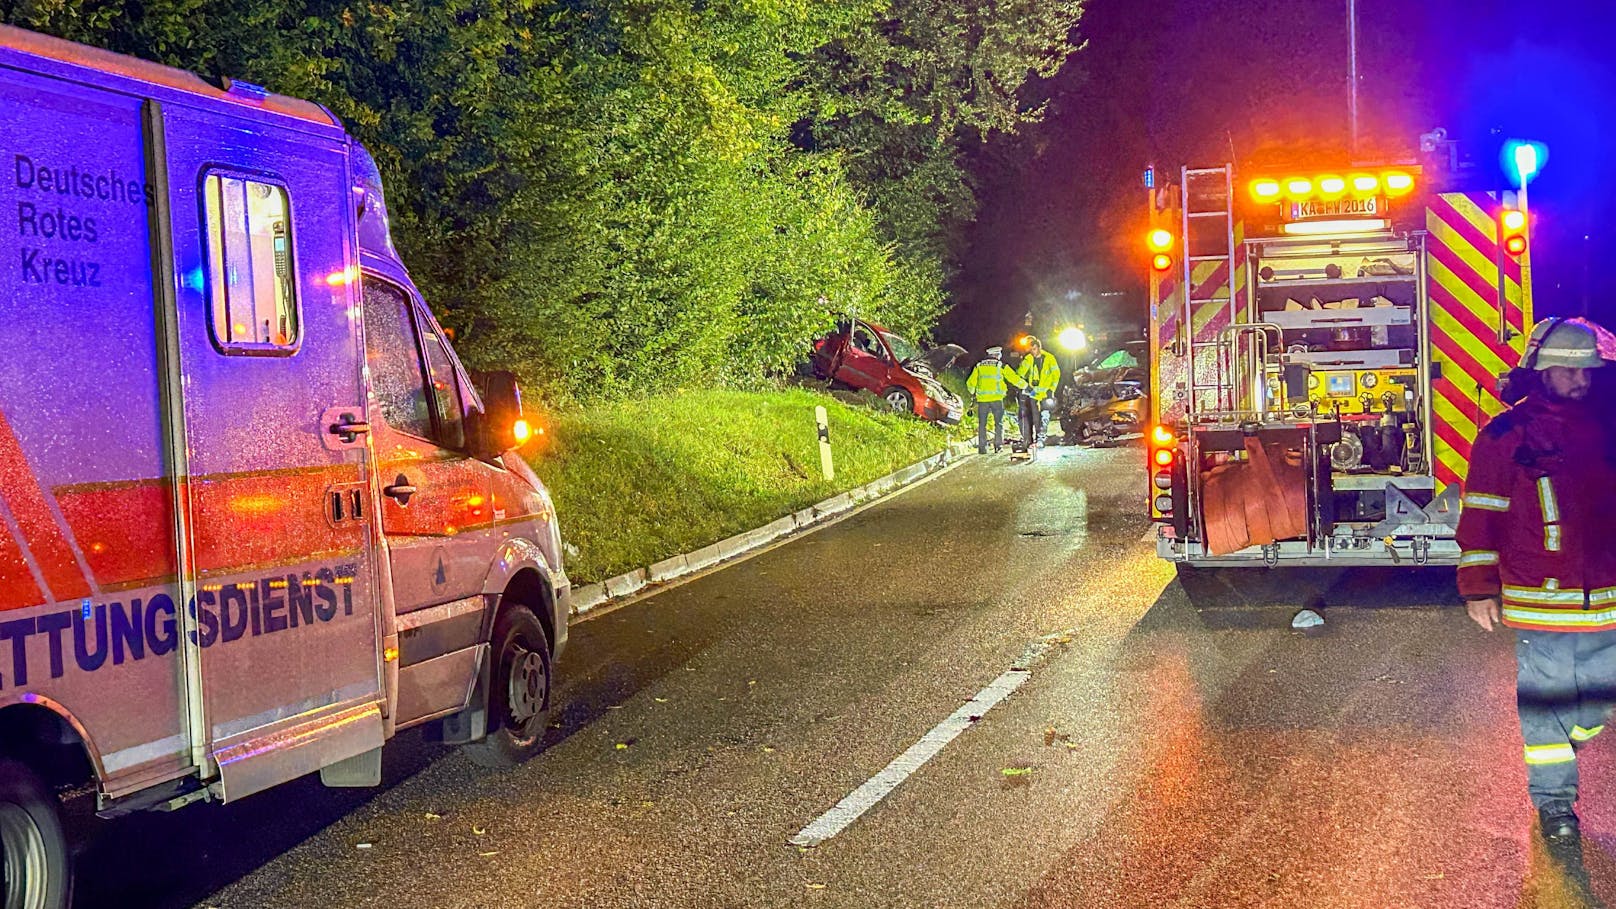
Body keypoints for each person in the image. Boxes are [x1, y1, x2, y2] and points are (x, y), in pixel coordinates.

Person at [1458, 317, 1616, 844]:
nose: (1582, 384)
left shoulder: (1606, 429)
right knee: (1545, 701)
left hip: (1608, 598)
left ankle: (1564, 748)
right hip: (1540, 598)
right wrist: (1479, 587)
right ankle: (1555, 806)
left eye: (1588, 375)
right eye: (1571, 375)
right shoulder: (1506, 435)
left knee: (1598, 702)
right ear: (1543, 372)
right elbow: (1481, 513)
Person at [965, 346, 1027, 454]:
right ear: (997, 355)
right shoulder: (1000, 366)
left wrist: (972, 392)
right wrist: (1026, 386)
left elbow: (970, 383)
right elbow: (1014, 378)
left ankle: (982, 447)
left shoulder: (979, 366)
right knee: (998, 423)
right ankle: (998, 446)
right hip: (997, 400)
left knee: (982, 424)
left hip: (982, 400)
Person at [1016, 338, 1062, 445]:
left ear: (1039, 347)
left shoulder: (1049, 358)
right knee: (1035, 417)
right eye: (1031, 349)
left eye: (1034, 349)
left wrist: (1051, 389)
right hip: (1034, 394)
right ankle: (1037, 439)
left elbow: (1056, 375)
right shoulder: (1029, 358)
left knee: (1044, 416)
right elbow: (1020, 373)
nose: (1033, 351)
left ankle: (1041, 437)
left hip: (1046, 393)